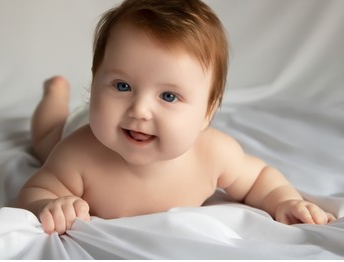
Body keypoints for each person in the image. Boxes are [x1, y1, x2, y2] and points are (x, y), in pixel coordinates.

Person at [17, 0, 335, 235]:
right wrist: (47, 205)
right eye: (122, 85)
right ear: (95, 79)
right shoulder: (77, 154)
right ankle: (55, 95)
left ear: (207, 113)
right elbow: (34, 191)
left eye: (168, 96)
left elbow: (259, 179)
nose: (139, 110)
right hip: (79, 124)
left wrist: (285, 201)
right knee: (46, 139)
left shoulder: (214, 154)